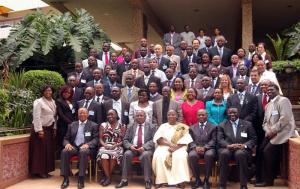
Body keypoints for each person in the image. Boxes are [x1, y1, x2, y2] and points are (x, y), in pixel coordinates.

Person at [255, 84, 297, 187]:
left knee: (267, 152)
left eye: (272, 89)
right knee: (260, 150)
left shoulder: (283, 101)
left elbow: (285, 118)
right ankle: (261, 178)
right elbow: (264, 122)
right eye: (268, 90)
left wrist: (273, 131)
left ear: (277, 90)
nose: (269, 91)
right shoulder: (269, 104)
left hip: (282, 132)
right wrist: (268, 131)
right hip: (270, 133)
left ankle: (268, 180)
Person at [217, 107, 257, 189]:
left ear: (239, 113)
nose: (232, 114)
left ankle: (243, 185)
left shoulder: (247, 124)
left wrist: (244, 145)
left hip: (242, 149)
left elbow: (253, 139)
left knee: (240, 154)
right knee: (224, 154)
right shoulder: (222, 125)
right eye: (230, 113)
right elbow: (220, 139)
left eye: (234, 112)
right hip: (227, 149)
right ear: (227, 114)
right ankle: (222, 185)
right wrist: (228, 145)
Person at [152, 110, 193, 188]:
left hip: (179, 147)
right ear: (167, 116)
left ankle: (180, 180)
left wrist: (175, 148)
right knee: (159, 156)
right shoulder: (163, 126)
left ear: (177, 116)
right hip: (164, 146)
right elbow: (158, 139)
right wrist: (170, 145)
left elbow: (186, 141)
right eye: (169, 114)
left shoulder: (182, 127)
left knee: (180, 156)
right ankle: (161, 180)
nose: (171, 116)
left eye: (173, 114)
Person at [116, 110, 156, 189]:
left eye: (141, 115)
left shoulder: (152, 126)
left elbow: (154, 140)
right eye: (137, 116)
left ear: (145, 117)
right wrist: (130, 146)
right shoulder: (130, 126)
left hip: (146, 149)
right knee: (127, 154)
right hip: (133, 149)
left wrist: (144, 147)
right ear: (134, 117)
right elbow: (125, 140)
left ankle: (147, 180)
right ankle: (124, 180)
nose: (139, 117)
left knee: (145, 155)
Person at [60, 108, 99, 189]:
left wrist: (88, 144)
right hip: (74, 146)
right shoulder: (72, 125)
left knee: (83, 152)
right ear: (77, 115)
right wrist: (67, 144)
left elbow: (96, 139)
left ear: (88, 115)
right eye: (80, 113)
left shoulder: (93, 125)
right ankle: (65, 179)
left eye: (84, 113)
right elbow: (66, 138)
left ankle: (81, 178)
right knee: (64, 151)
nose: (82, 114)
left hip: (86, 147)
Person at [30, 85, 57, 178]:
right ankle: (39, 171)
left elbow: (54, 117)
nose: (48, 92)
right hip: (41, 129)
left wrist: (54, 128)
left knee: (48, 150)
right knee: (40, 151)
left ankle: (46, 170)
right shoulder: (38, 102)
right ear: (43, 92)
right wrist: (39, 130)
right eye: (46, 90)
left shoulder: (53, 101)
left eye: (50, 90)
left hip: (49, 129)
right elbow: (36, 117)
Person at [97, 109, 126, 186]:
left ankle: (107, 177)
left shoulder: (122, 126)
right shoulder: (103, 125)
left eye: (112, 114)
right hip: (105, 145)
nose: (110, 116)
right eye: (108, 115)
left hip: (117, 146)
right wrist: (104, 145)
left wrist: (115, 145)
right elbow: (100, 138)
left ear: (116, 115)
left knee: (113, 155)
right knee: (103, 154)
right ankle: (108, 178)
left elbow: (124, 140)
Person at [188, 109, 217, 189]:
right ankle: (197, 180)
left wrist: (205, 147)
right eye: (199, 115)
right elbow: (190, 140)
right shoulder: (192, 128)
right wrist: (195, 147)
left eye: (203, 115)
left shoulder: (213, 127)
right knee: (192, 155)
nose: (201, 116)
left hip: (209, 149)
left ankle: (206, 180)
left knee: (209, 155)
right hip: (196, 149)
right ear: (197, 116)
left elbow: (214, 140)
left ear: (207, 116)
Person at [56, 85, 76, 157]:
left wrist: (74, 122)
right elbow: (61, 114)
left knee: (70, 140)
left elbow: (74, 112)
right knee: (63, 140)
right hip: (63, 125)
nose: (67, 94)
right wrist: (70, 123)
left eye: (69, 93)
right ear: (62, 92)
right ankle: (61, 157)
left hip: (72, 124)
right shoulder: (59, 101)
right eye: (65, 92)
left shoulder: (72, 101)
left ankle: (69, 155)